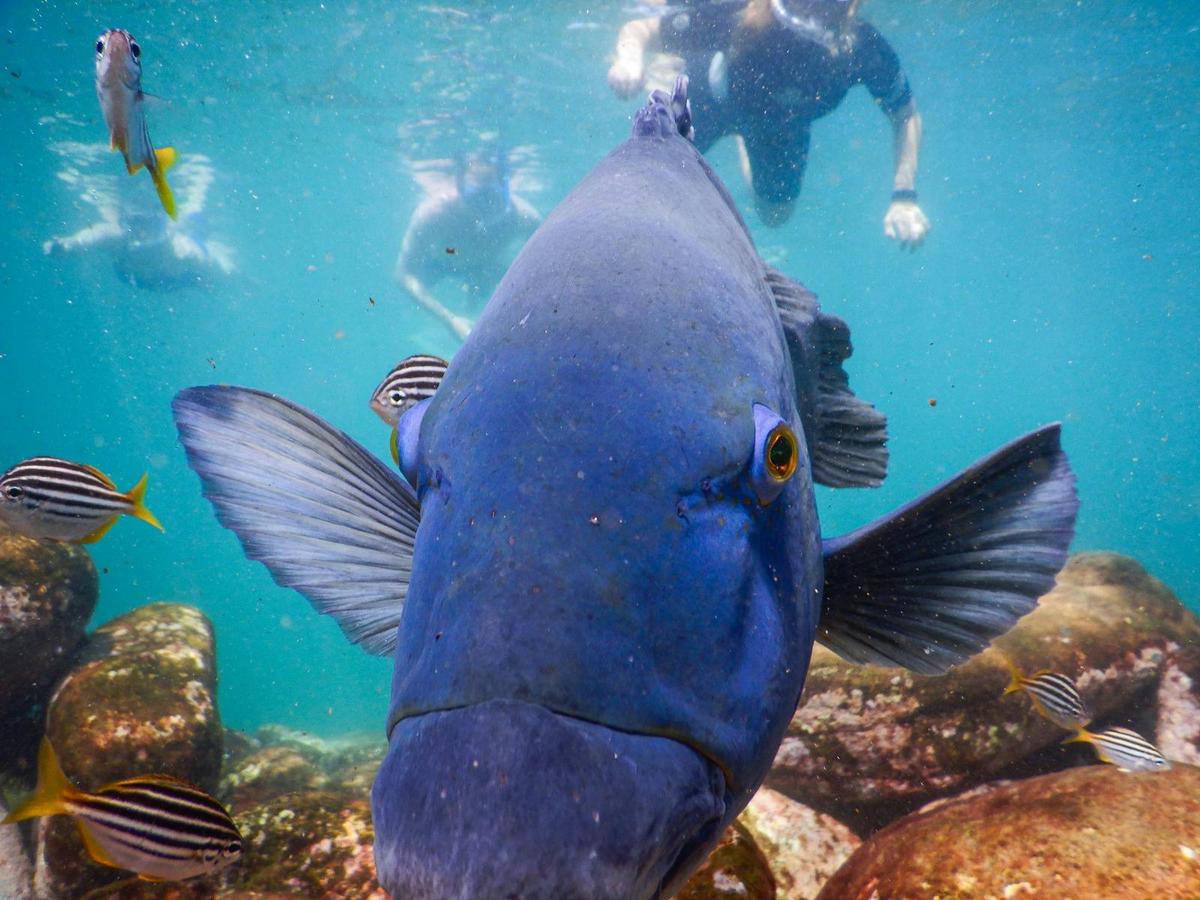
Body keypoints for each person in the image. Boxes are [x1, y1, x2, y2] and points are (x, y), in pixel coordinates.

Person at [607, 0, 930, 248]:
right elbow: (641, 30)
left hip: (779, 125)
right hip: (711, 101)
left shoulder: (862, 48)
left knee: (775, 216)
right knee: (648, 184)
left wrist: (904, 195)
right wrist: (628, 61)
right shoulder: (736, 15)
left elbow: (904, 113)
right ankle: (686, 82)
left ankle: (745, 141)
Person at [394, 148, 541, 341]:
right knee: (406, 313)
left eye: (494, 197)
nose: (487, 209)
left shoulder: (525, 217)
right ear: (459, 189)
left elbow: (548, 269)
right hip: (437, 265)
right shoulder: (434, 214)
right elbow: (404, 273)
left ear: (506, 188)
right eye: (477, 198)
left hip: (485, 269)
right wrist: (450, 320)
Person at [43, 146, 234, 289]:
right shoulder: (116, 236)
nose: (143, 231)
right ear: (126, 219)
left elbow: (211, 263)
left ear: (162, 221)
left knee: (214, 264)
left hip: (174, 280)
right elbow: (85, 240)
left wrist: (227, 272)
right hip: (141, 278)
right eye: (137, 222)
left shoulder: (181, 246)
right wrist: (65, 245)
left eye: (149, 221)